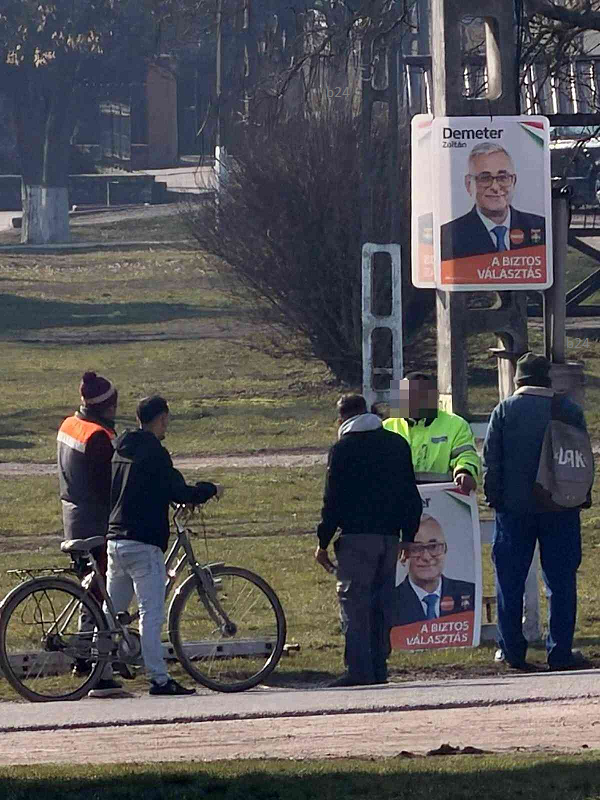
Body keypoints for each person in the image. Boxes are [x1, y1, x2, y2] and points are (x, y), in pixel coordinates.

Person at [105, 395, 224, 696]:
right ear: (160, 419)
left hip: (115, 539)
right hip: (144, 543)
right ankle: (158, 678)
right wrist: (209, 489)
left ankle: (101, 673)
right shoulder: (156, 452)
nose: (166, 426)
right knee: (151, 612)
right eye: (166, 421)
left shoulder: (120, 449)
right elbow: (177, 489)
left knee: (111, 613)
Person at [483, 353, 589, 672]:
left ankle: (513, 651)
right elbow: (581, 460)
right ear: (548, 379)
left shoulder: (504, 411)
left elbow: (491, 462)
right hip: (560, 507)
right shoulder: (570, 411)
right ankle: (560, 652)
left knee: (510, 580)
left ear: (518, 380)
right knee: (560, 580)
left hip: (514, 510)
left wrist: (496, 498)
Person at [315, 393, 422, 687]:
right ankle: (379, 668)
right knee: (381, 604)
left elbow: (332, 501)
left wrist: (322, 541)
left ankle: (359, 670)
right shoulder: (396, 444)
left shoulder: (342, 449)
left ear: (342, 418)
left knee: (355, 606)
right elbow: (410, 496)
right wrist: (408, 537)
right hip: (389, 539)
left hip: (356, 539)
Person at [57, 370, 127, 697]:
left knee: (90, 592)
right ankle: (98, 669)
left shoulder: (71, 424)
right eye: (114, 404)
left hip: (74, 517)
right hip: (96, 523)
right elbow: (109, 485)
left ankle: (84, 659)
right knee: (101, 596)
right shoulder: (98, 437)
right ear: (106, 406)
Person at [440, 142, 546, 262]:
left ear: (513, 181)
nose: (495, 186)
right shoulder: (447, 236)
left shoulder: (541, 227)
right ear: (469, 184)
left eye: (503, 177)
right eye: (485, 178)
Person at [383, 372, 480, 493]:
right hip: (397, 496)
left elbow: (465, 455)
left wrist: (464, 471)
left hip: (443, 498)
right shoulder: (386, 426)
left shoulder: (456, 424)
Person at [390, 515, 475, 627]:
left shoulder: (470, 592)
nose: (426, 557)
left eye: (433, 546)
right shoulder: (391, 602)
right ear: (404, 555)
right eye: (416, 548)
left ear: (445, 549)